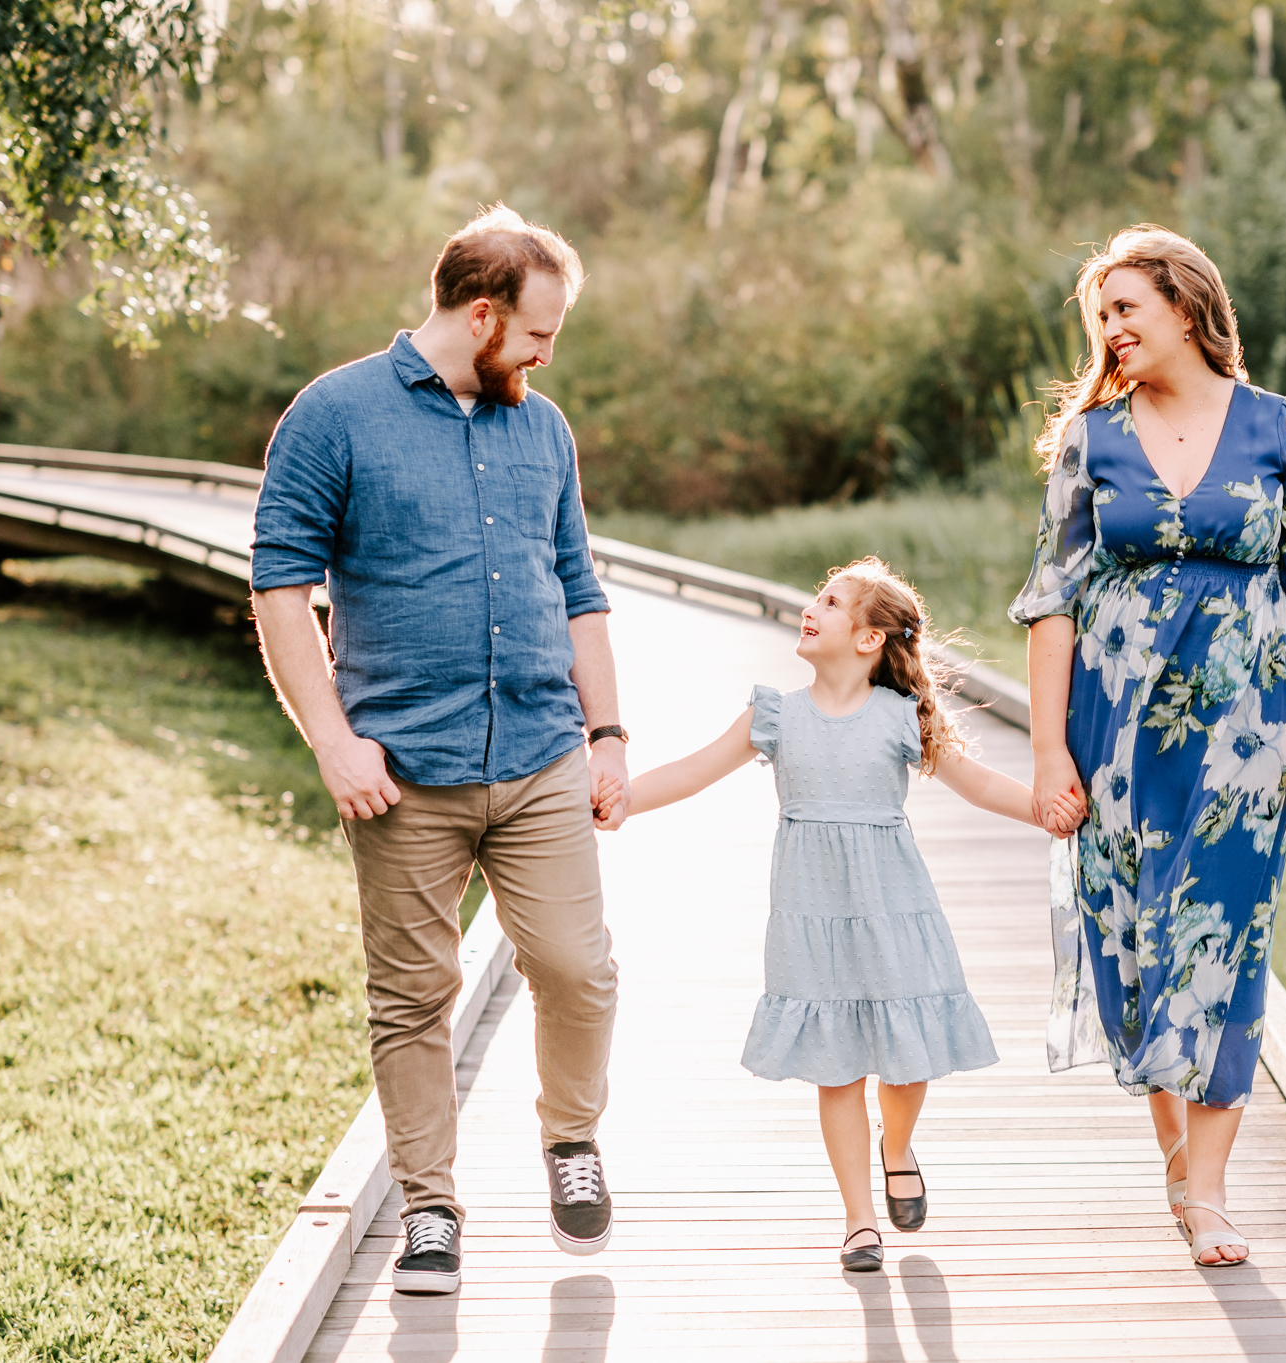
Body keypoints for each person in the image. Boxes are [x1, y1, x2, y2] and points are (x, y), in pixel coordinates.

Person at [250, 205, 631, 1295]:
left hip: (542, 752)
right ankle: (428, 1204)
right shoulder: (334, 416)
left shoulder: (540, 427)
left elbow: (580, 592)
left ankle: (570, 1139)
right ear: (479, 314)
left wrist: (606, 736)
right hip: (401, 771)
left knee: (577, 967)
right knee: (413, 996)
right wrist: (332, 744)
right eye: (539, 332)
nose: (549, 353)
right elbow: (281, 588)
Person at [1010, 226, 1286, 1268]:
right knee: (1134, 944)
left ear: (1186, 306)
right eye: (1098, 316)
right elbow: (1051, 602)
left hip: (1246, 727)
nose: (1109, 330)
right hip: (1110, 732)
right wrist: (1044, 753)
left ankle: (1205, 1191)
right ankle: (1174, 1153)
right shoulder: (1091, 440)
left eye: (1125, 308)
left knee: (1220, 937)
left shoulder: (1274, 426)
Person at [619, 558, 1084, 1271]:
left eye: (831, 603)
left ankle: (896, 1145)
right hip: (811, 909)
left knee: (907, 1058)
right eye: (817, 597)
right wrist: (622, 798)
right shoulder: (775, 713)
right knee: (835, 1068)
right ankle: (858, 1218)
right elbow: (693, 768)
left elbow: (977, 783)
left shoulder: (901, 717)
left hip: (893, 905)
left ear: (869, 638)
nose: (813, 608)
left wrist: (1044, 808)